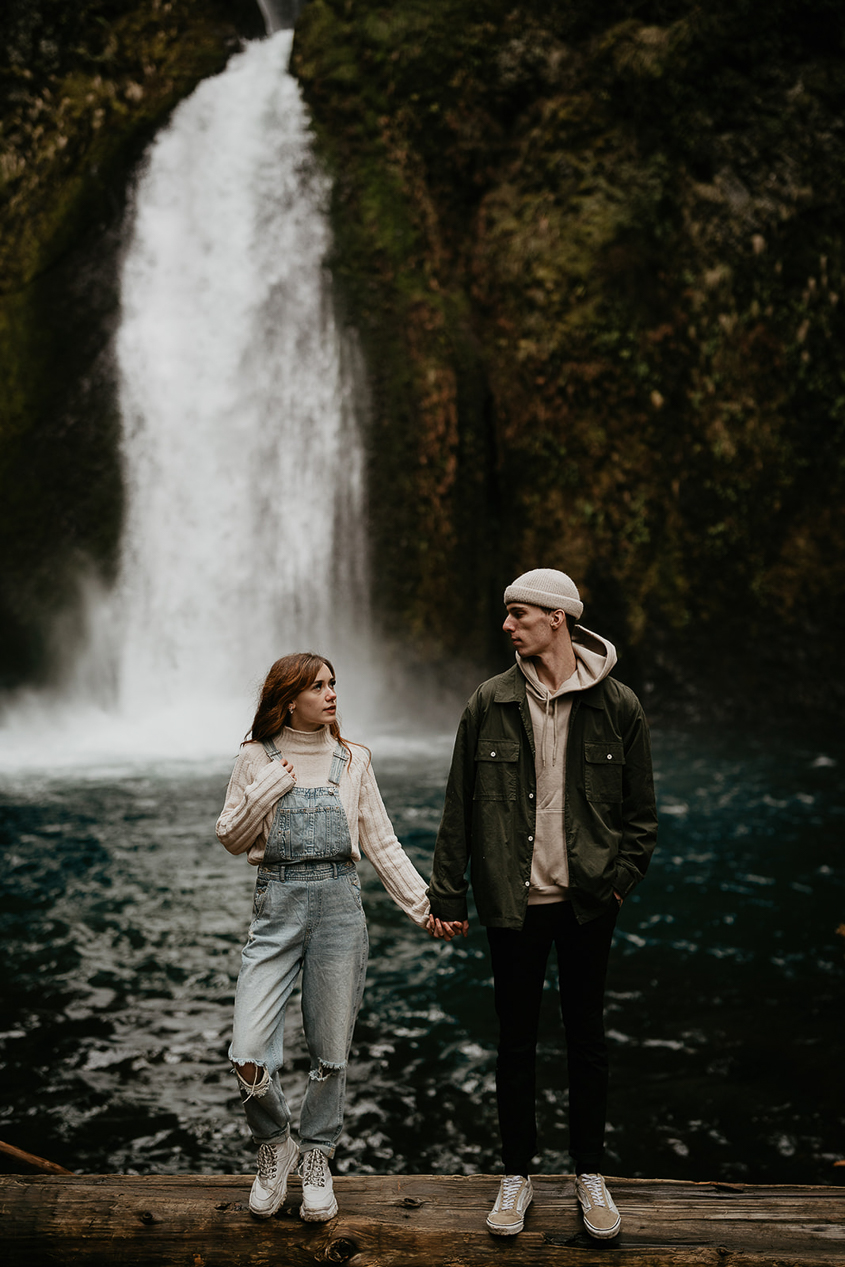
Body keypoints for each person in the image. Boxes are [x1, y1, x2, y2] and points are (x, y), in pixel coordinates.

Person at [427, 568, 657, 1240]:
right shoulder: (488, 701)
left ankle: (590, 1173)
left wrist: (616, 882)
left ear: (557, 617)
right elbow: (456, 809)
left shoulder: (618, 707)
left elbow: (641, 819)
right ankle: (516, 1175)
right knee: (515, 1043)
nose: (506, 624)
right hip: (512, 901)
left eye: (517, 613)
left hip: (588, 900)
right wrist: (448, 890)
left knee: (586, 1040)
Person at [216, 651, 437, 1222]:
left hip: (341, 906)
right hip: (276, 908)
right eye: (318, 686)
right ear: (290, 699)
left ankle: (317, 1156)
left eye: (334, 683)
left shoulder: (354, 759)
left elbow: (382, 843)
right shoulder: (253, 758)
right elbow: (231, 838)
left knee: (330, 1053)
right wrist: (266, 789)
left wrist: (426, 907)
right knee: (246, 1051)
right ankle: (275, 1145)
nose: (332, 693)